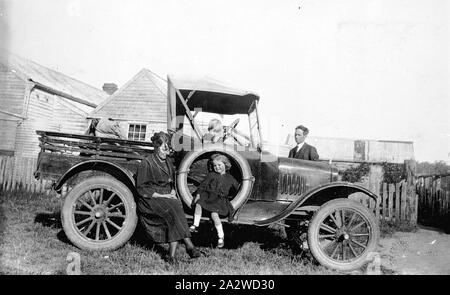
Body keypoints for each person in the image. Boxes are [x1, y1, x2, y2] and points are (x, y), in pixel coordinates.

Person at [135, 131, 201, 264]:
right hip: (150, 198)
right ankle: (189, 245)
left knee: (175, 206)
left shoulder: (168, 162)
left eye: (168, 149)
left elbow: (171, 182)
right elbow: (142, 188)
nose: (167, 152)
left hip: (166, 196)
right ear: (156, 147)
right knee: (174, 208)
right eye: (164, 149)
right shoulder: (146, 163)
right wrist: (164, 195)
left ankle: (171, 256)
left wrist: (171, 191)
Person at [189, 154, 239, 248]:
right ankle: (195, 225)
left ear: (226, 165)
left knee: (214, 215)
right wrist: (198, 194)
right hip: (208, 196)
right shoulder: (211, 175)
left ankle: (221, 237)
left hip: (220, 200)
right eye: (215, 166)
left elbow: (236, 189)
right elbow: (203, 185)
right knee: (199, 204)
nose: (217, 167)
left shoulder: (230, 178)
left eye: (219, 165)